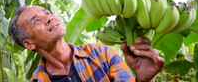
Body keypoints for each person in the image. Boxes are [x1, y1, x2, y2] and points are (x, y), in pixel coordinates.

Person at [9, 6, 165, 82]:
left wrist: (146, 80)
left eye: (47, 13)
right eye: (36, 21)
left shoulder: (102, 54)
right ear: (29, 44)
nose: (49, 18)